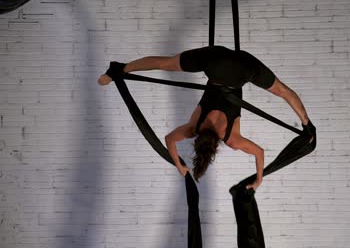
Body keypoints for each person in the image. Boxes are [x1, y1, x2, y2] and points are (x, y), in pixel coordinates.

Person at [98, 45, 315, 191]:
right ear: (197, 140)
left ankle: (308, 123)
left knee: (283, 91)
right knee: (165, 64)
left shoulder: (232, 138)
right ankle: (118, 70)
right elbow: (169, 140)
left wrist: (259, 179)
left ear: (217, 147)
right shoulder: (193, 128)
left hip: (244, 68)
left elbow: (259, 153)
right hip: (214, 61)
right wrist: (178, 164)